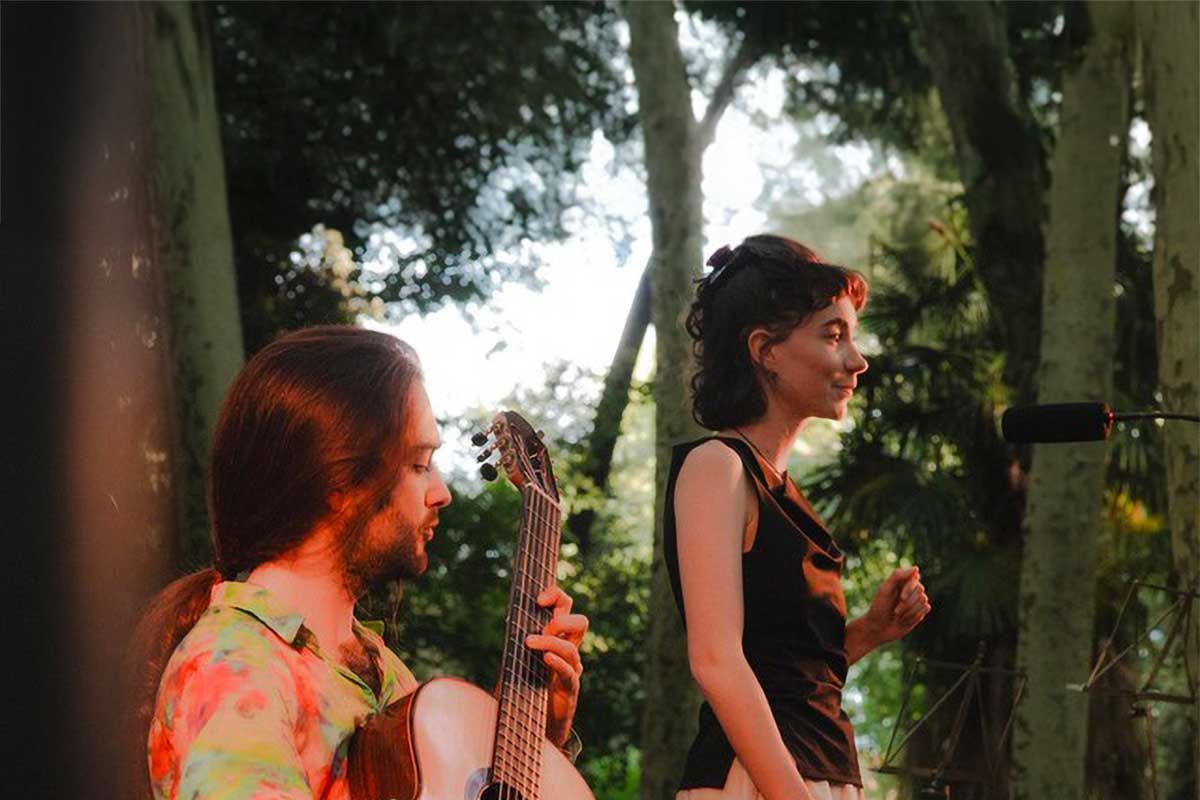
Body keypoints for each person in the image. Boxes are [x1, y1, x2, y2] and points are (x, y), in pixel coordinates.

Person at [127, 326, 587, 800]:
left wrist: (539, 744)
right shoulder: (234, 671)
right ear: (339, 482)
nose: (441, 492)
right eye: (419, 464)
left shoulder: (385, 671)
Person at [664, 235, 931, 800]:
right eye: (833, 335)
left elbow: (789, 674)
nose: (857, 360)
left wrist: (870, 631)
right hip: (757, 779)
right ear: (765, 350)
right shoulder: (718, 467)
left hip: (814, 773)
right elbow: (715, 661)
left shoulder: (783, 491)